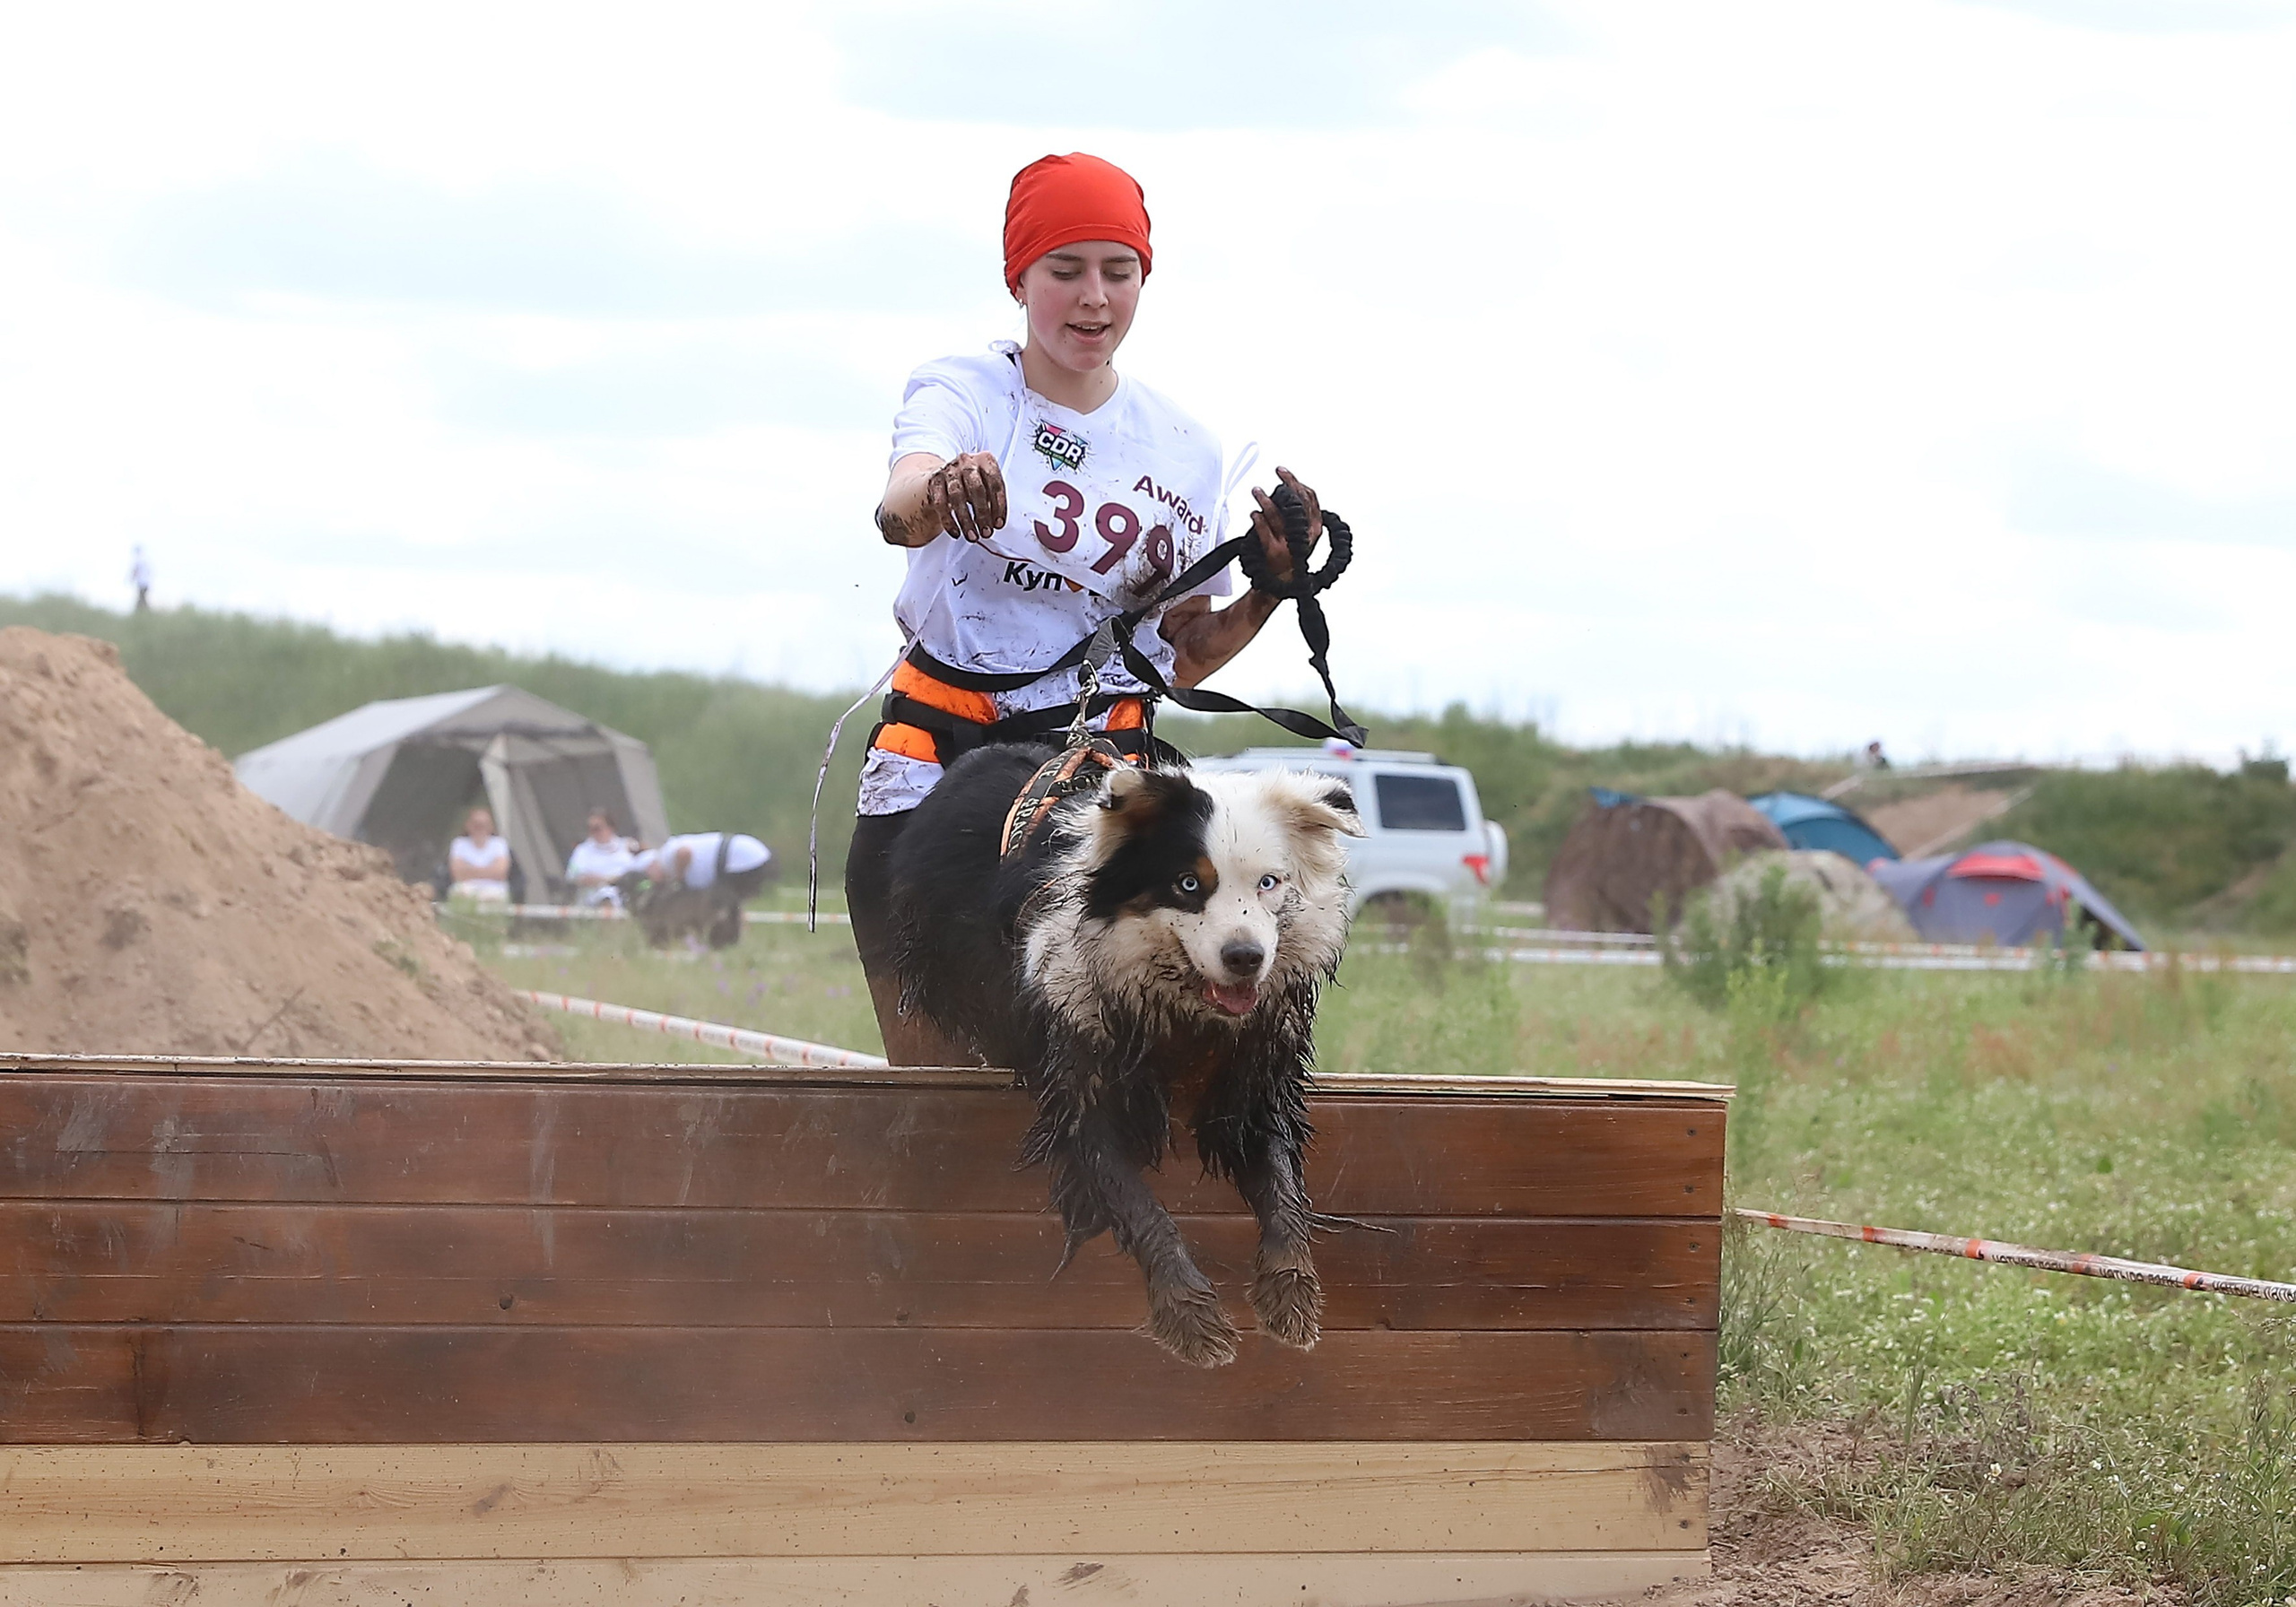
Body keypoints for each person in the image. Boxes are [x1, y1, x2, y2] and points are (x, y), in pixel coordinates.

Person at [846, 152, 1330, 1064]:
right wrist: (948, 487)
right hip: (938, 760)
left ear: (1145, 278)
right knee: (930, 1088)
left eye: (1118, 271)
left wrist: (1269, 588)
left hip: (1095, 781)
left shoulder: (1183, 447)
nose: (1093, 298)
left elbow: (1180, 654)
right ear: (1019, 278)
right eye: (1064, 270)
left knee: (1116, 1075)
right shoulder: (965, 391)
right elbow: (895, 510)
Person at [564, 808, 639, 908]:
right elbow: (573, 876)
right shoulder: (582, 851)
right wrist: (608, 880)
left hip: (629, 891)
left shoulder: (627, 845)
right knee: (606, 895)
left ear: (610, 827)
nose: (593, 833)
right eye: (590, 829)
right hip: (597, 896)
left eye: (597, 828)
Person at [446, 806, 512, 902]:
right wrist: (490, 869)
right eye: (476, 824)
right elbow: (457, 874)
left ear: (491, 826)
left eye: (484, 824)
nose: (480, 827)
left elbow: (501, 873)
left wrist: (468, 869)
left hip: (494, 891)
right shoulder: (459, 844)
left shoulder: (500, 843)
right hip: (465, 890)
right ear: (468, 825)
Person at [129, 546, 152, 613]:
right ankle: (143, 611)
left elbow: (135, 571)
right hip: (146, 582)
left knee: (141, 598)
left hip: (141, 583)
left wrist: (131, 579)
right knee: (142, 598)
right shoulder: (146, 560)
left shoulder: (138, 560)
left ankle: (143, 611)